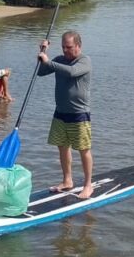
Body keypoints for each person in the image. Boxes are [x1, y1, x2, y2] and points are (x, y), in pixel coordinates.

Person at [38, 30, 93, 199]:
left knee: (83, 149)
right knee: (62, 147)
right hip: (60, 112)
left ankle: (88, 185)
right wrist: (43, 53)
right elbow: (41, 72)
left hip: (78, 114)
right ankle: (67, 181)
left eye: (69, 47)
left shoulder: (84, 61)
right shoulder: (59, 60)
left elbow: (71, 72)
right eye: (63, 47)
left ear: (78, 46)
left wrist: (49, 62)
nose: (65, 51)